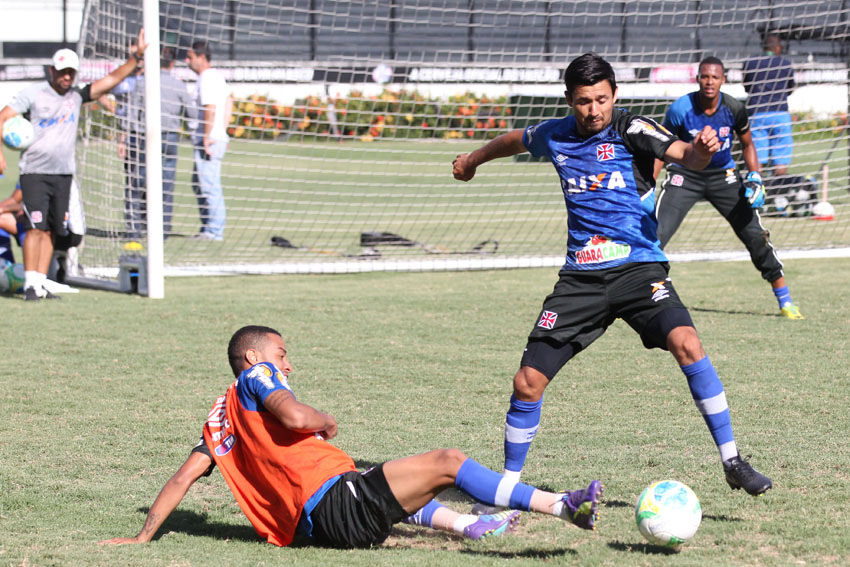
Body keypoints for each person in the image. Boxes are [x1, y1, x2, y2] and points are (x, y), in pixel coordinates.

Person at [451, 53, 772, 502]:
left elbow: (683, 154)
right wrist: (472, 160)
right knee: (527, 382)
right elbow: (515, 139)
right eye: (584, 101)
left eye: (602, 99)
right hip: (581, 279)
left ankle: (733, 461)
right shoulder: (555, 134)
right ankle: (506, 487)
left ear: (615, 95)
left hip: (638, 269)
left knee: (687, 342)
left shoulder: (631, 128)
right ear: (570, 99)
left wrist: (702, 149)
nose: (594, 110)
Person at [99, 325, 603, 549]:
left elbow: (183, 477)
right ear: (253, 358)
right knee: (447, 461)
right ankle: (562, 506)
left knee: (383, 482)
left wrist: (144, 536)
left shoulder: (220, 418)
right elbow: (295, 417)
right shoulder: (256, 376)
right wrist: (322, 419)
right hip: (333, 506)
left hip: (320, 524)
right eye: (281, 354)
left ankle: (469, 526)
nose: (287, 364)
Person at [0, 30, 148, 300]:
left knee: (53, 231)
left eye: (71, 72)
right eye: (62, 71)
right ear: (52, 70)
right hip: (34, 172)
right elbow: (2, 117)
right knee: (34, 228)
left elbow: (111, 80)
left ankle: (40, 283)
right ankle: (30, 285)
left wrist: (135, 58)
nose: (66, 77)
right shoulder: (33, 94)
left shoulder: (76, 96)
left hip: (63, 174)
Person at [653, 57, 803, 320]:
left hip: (724, 176)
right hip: (685, 175)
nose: (709, 82)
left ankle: (786, 301)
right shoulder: (680, 109)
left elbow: (748, 144)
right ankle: (636, 294)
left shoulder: (734, 108)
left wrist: (755, 177)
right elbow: (660, 146)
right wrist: (647, 186)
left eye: (714, 77)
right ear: (697, 79)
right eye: (704, 76)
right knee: (653, 234)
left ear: (723, 80)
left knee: (755, 235)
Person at [120, 47, 191, 239]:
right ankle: (163, 230)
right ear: (172, 63)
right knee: (166, 184)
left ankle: (134, 229)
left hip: (144, 136)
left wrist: (124, 137)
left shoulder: (142, 82)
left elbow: (132, 112)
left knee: (137, 183)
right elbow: (191, 112)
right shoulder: (178, 84)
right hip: (169, 137)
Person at [185, 40, 231, 241]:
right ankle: (208, 227)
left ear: (201, 57)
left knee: (209, 184)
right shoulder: (216, 77)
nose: (187, 61)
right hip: (215, 136)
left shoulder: (207, 77)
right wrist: (223, 130)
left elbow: (210, 108)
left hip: (209, 139)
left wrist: (207, 135)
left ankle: (214, 231)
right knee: (199, 183)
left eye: (190, 57)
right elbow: (229, 101)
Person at [742, 33, 796, 177]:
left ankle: (758, 186)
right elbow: (790, 89)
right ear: (778, 47)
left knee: (757, 157)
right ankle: (779, 187)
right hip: (780, 113)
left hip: (757, 113)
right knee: (781, 159)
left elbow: (747, 87)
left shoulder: (751, 63)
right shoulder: (785, 64)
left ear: (763, 46)